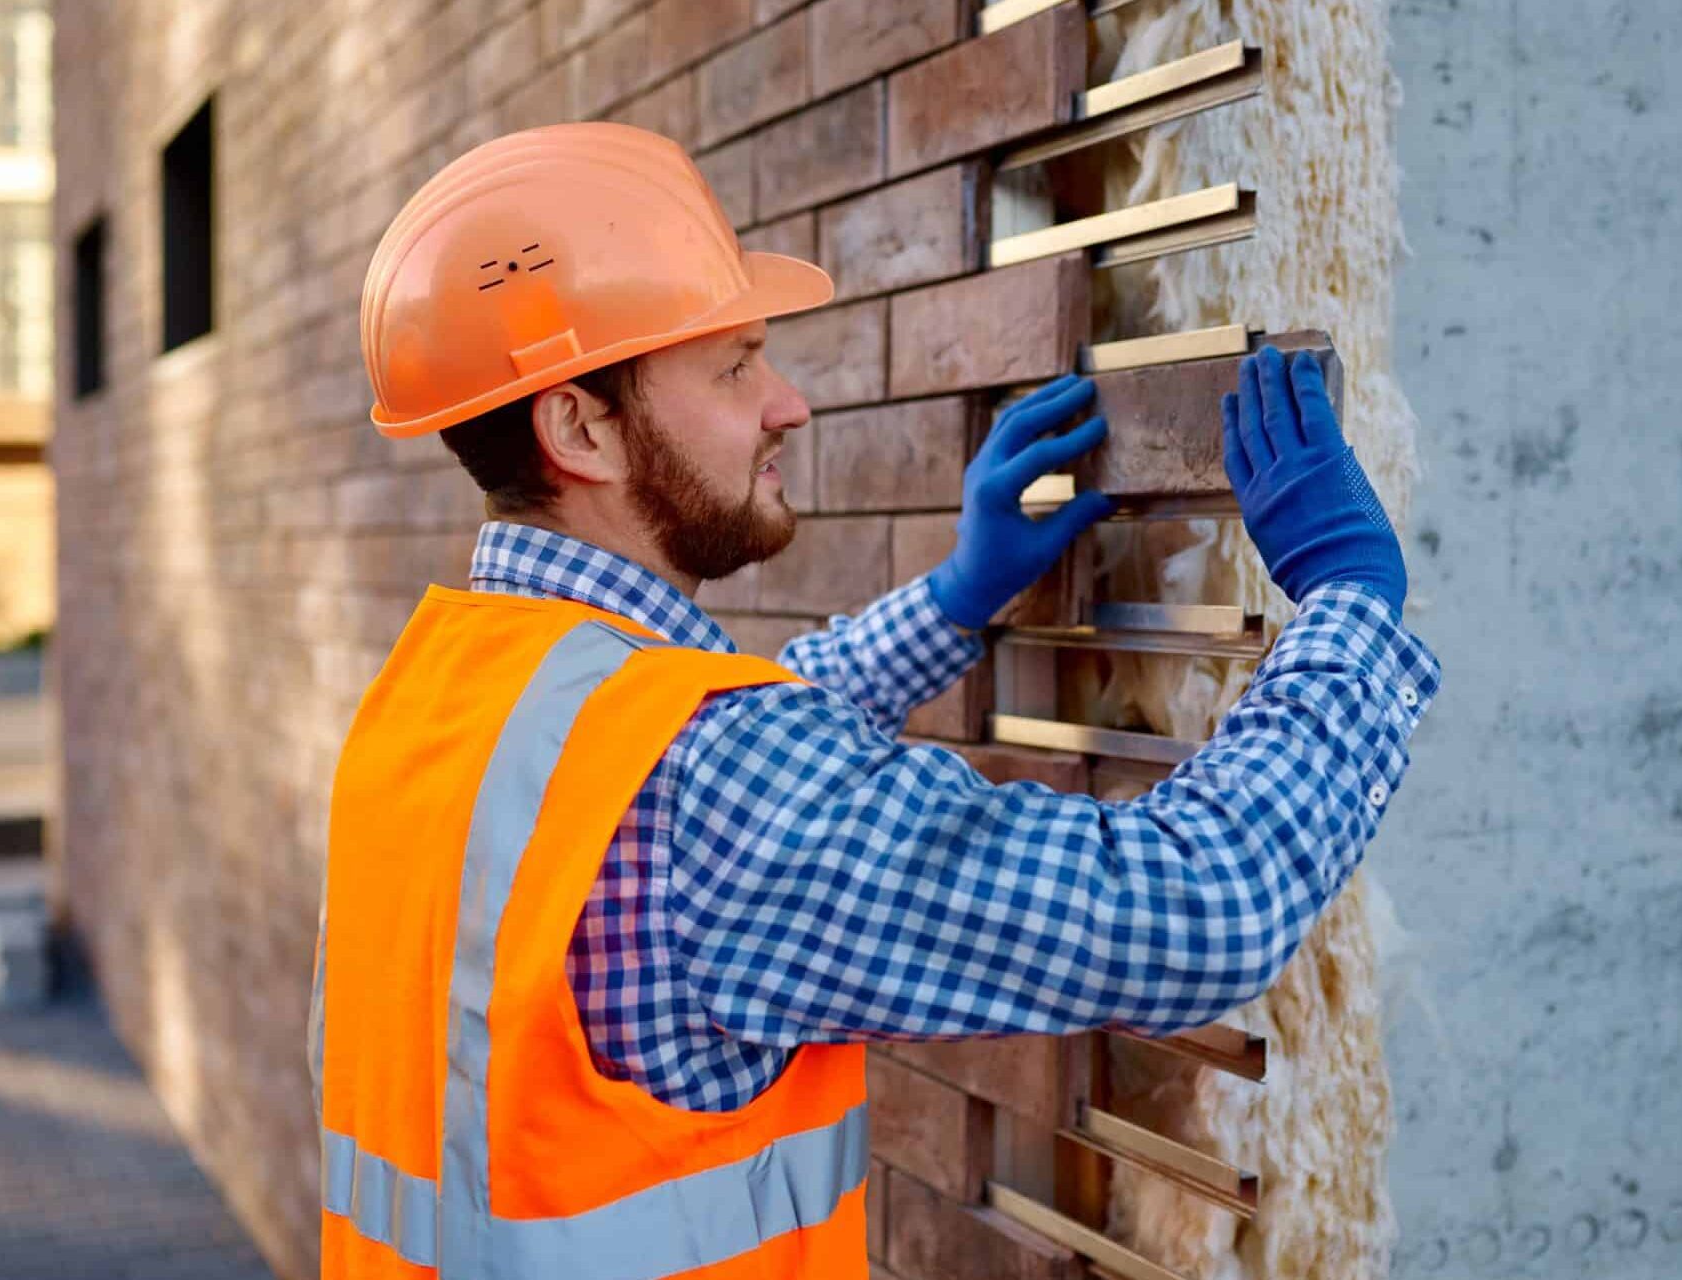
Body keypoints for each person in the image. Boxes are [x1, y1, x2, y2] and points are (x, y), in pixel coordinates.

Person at [313, 123, 1439, 1278]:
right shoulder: (707, 775)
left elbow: (702, 760)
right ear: (580, 427)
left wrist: (956, 599)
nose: (786, 404)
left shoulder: (441, 699)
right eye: (735, 364)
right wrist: (1350, 606)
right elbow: (1194, 913)